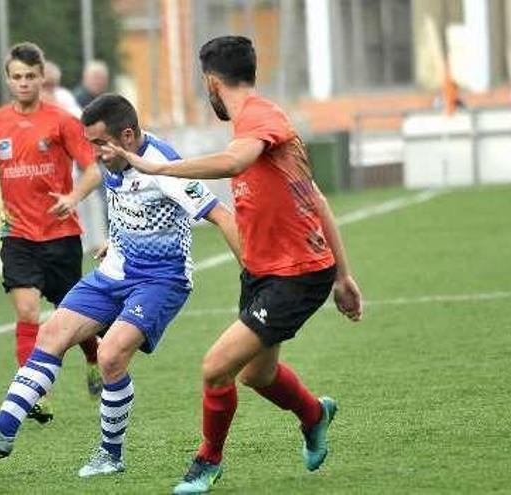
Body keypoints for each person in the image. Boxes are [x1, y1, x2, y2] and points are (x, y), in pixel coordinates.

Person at [106, 36, 363, 493]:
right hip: (266, 271)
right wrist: (344, 276)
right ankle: (314, 414)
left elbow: (233, 162)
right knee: (256, 374)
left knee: (215, 368)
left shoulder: (260, 118)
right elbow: (316, 198)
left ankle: (206, 462)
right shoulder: (252, 121)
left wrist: (157, 168)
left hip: (296, 273)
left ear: (211, 82)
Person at [0, 93, 241, 478]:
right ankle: (2, 431)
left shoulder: (165, 167)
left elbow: (224, 217)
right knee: (50, 333)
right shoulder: (111, 159)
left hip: (161, 279)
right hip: (114, 271)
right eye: (90, 143)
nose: (93, 152)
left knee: (111, 354)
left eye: (100, 143)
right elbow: (127, 203)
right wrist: (116, 239)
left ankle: (110, 455)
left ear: (129, 136)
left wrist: (252, 275)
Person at [0, 42, 103, 420]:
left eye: (30, 76)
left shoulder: (63, 122)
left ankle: (93, 359)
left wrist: (73, 197)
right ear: (8, 80)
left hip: (61, 234)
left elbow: (93, 169)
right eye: (16, 77)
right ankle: (36, 393)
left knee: (75, 316)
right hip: (17, 234)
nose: (23, 83)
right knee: (27, 310)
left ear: (42, 78)